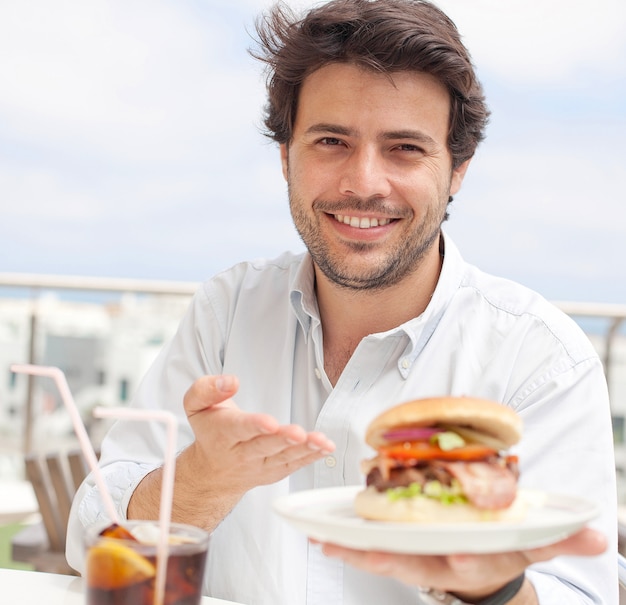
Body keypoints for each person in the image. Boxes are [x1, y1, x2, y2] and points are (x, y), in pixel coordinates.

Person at [66, 0, 617, 603]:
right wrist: (204, 477)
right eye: (331, 140)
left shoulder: (541, 359)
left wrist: (494, 586)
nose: (364, 183)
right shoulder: (228, 310)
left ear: (457, 169)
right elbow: (92, 542)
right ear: (286, 157)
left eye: (405, 148)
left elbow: (578, 593)